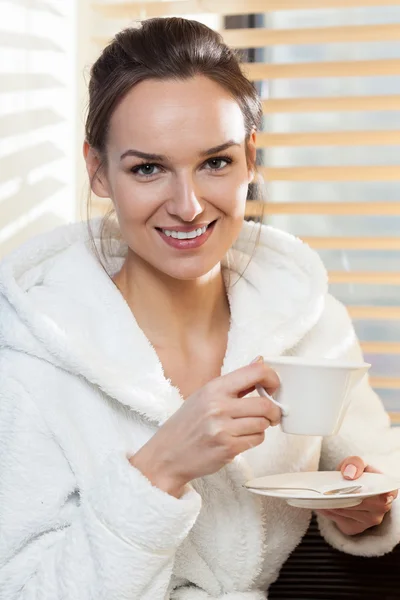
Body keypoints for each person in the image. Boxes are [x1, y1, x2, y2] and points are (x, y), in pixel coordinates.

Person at [0, 17, 399, 600]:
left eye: (216, 162)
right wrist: (160, 468)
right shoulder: (34, 356)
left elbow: (376, 469)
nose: (188, 206)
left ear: (250, 159)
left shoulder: (307, 321)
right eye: (148, 168)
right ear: (98, 171)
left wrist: (368, 508)